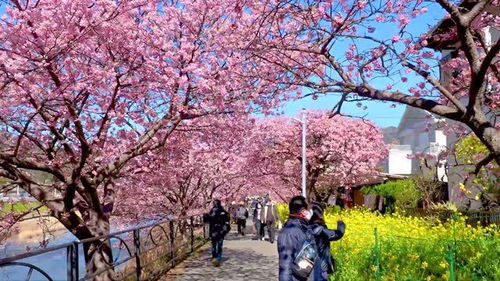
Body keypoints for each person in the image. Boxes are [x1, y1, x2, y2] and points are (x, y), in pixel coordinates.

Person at [277, 195, 315, 281]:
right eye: (309, 208)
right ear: (303, 211)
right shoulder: (289, 232)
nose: (311, 211)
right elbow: (285, 266)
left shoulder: (304, 227)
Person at [309, 202, 345, 281]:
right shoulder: (321, 230)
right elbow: (338, 234)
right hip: (321, 266)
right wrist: (341, 224)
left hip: (307, 265)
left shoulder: (304, 227)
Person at [204, 199, 230, 267]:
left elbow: (206, 219)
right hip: (221, 230)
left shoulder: (212, 211)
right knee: (220, 245)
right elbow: (227, 219)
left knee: (213, 244)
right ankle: (218, 258)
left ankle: (214, 257)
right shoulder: (223, 211)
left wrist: (206, 212)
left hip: (213, 230)